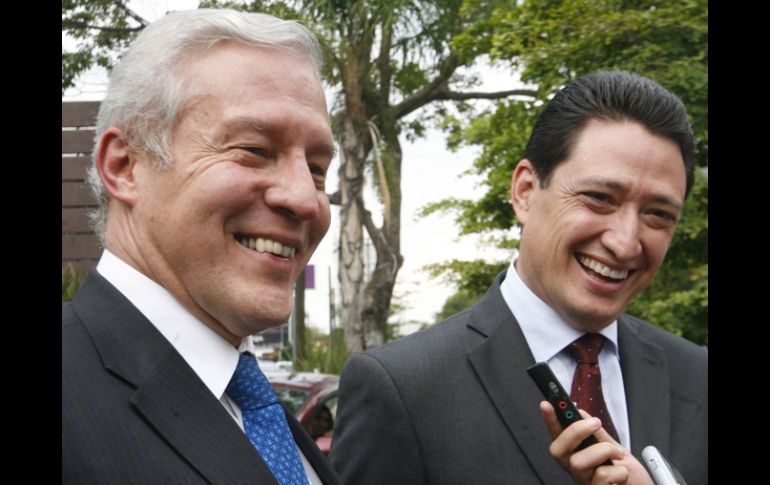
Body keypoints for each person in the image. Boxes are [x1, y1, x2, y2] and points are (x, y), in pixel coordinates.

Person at [330, 71, 707, 484]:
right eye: (599, 198)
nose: (625, 242)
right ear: (526, 190)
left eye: (658, 215)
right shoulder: (402, 389)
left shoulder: (697, 378)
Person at [62, 9, 341, 485]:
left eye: (317, 169)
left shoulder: (257, 410)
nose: (303, 198)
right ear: (125, 166)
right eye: (254, 150)